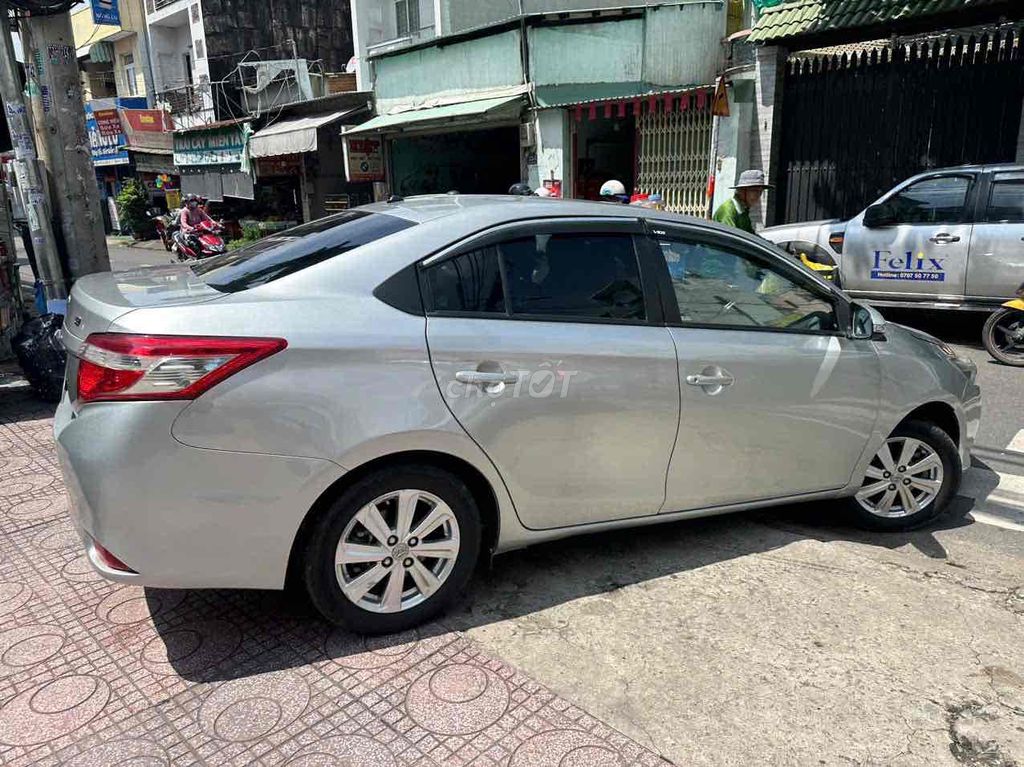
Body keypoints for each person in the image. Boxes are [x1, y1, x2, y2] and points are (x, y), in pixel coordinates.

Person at [713, 169, 772, 235]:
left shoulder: (743, 211)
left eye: (760, 192)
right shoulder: (728, 210)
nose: (758, 196)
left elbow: (750, 235)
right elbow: (731, 239)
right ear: (742, 191)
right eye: (755, 191)